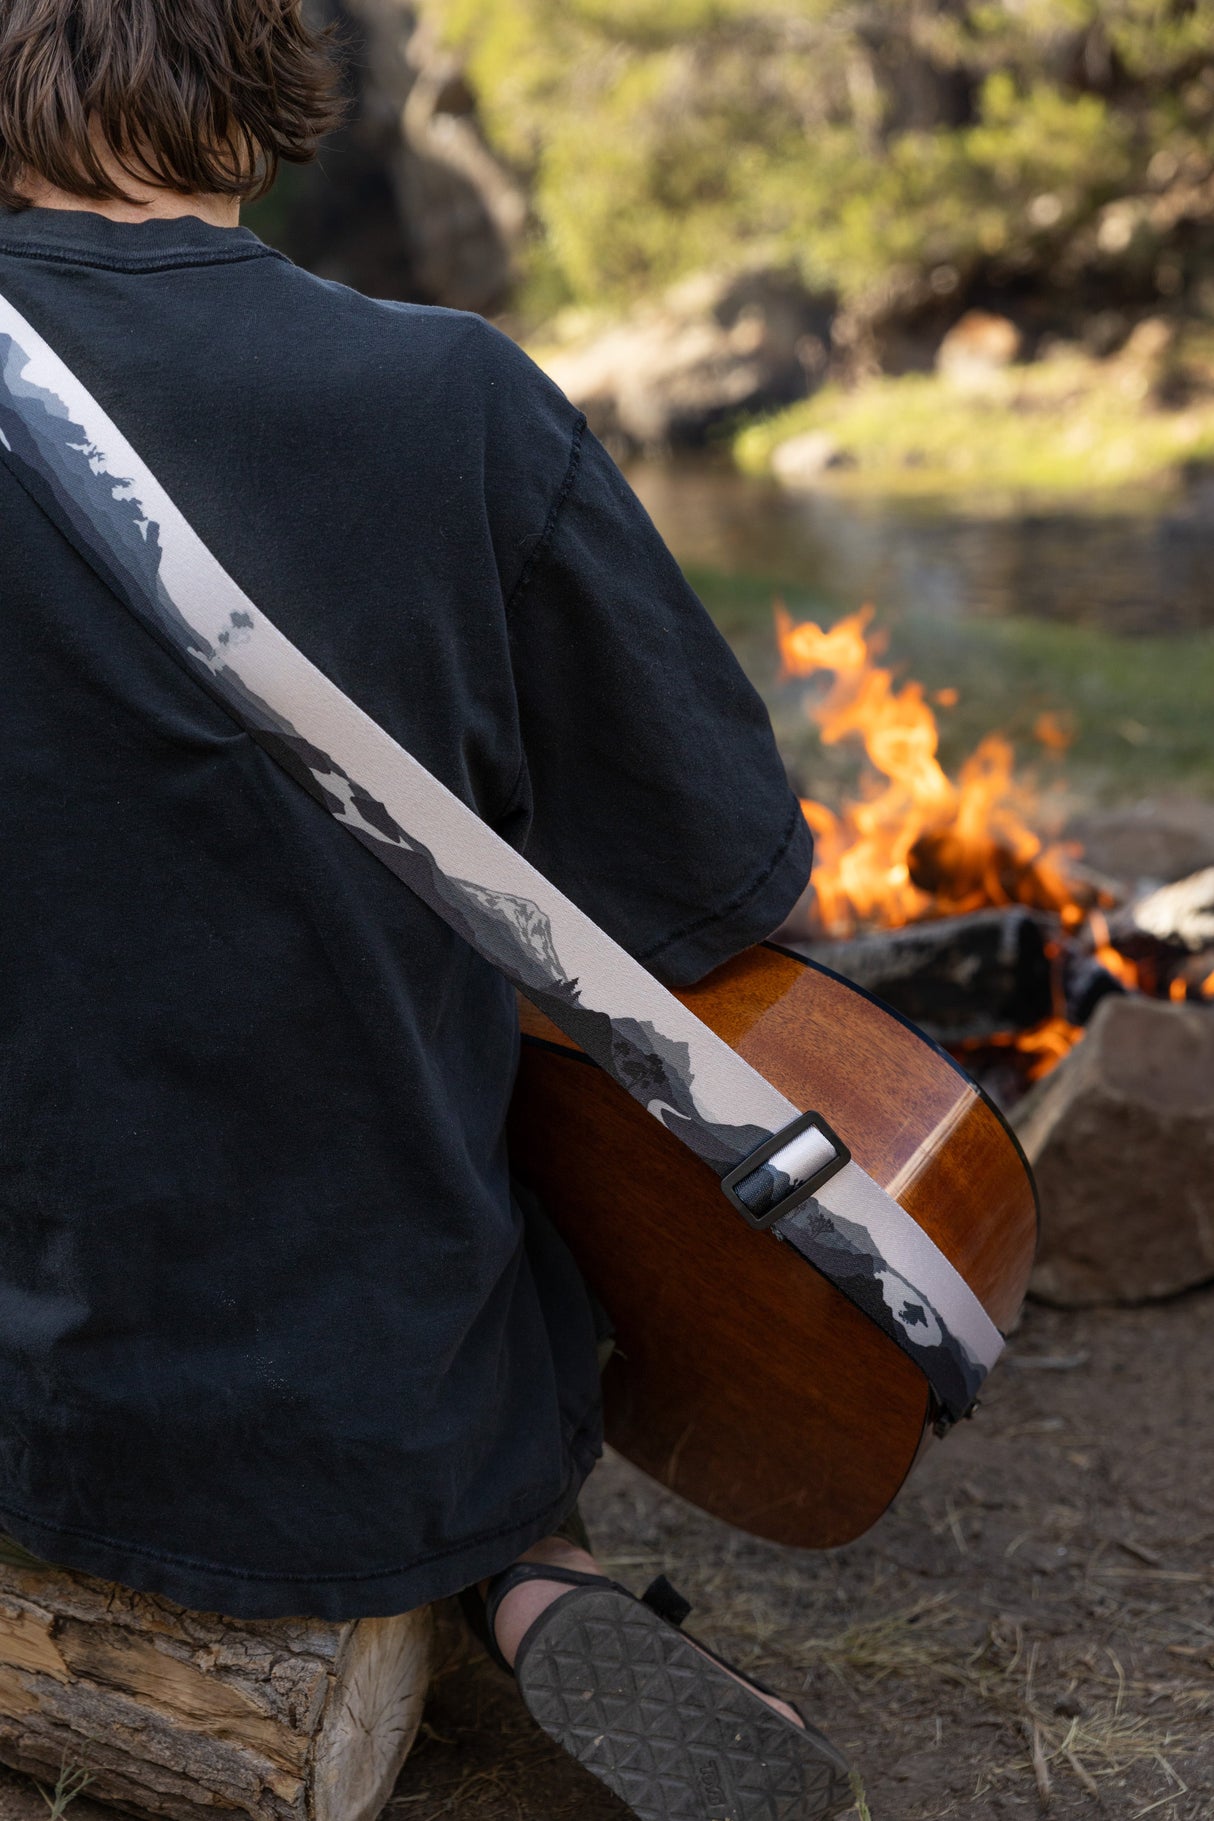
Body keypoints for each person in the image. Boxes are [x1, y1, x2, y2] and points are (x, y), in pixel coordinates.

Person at [0, 4, 851, 1815]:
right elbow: (726, 889)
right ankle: (524, 1565)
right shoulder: (453, 400)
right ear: (266, 74)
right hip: (373, 1398)